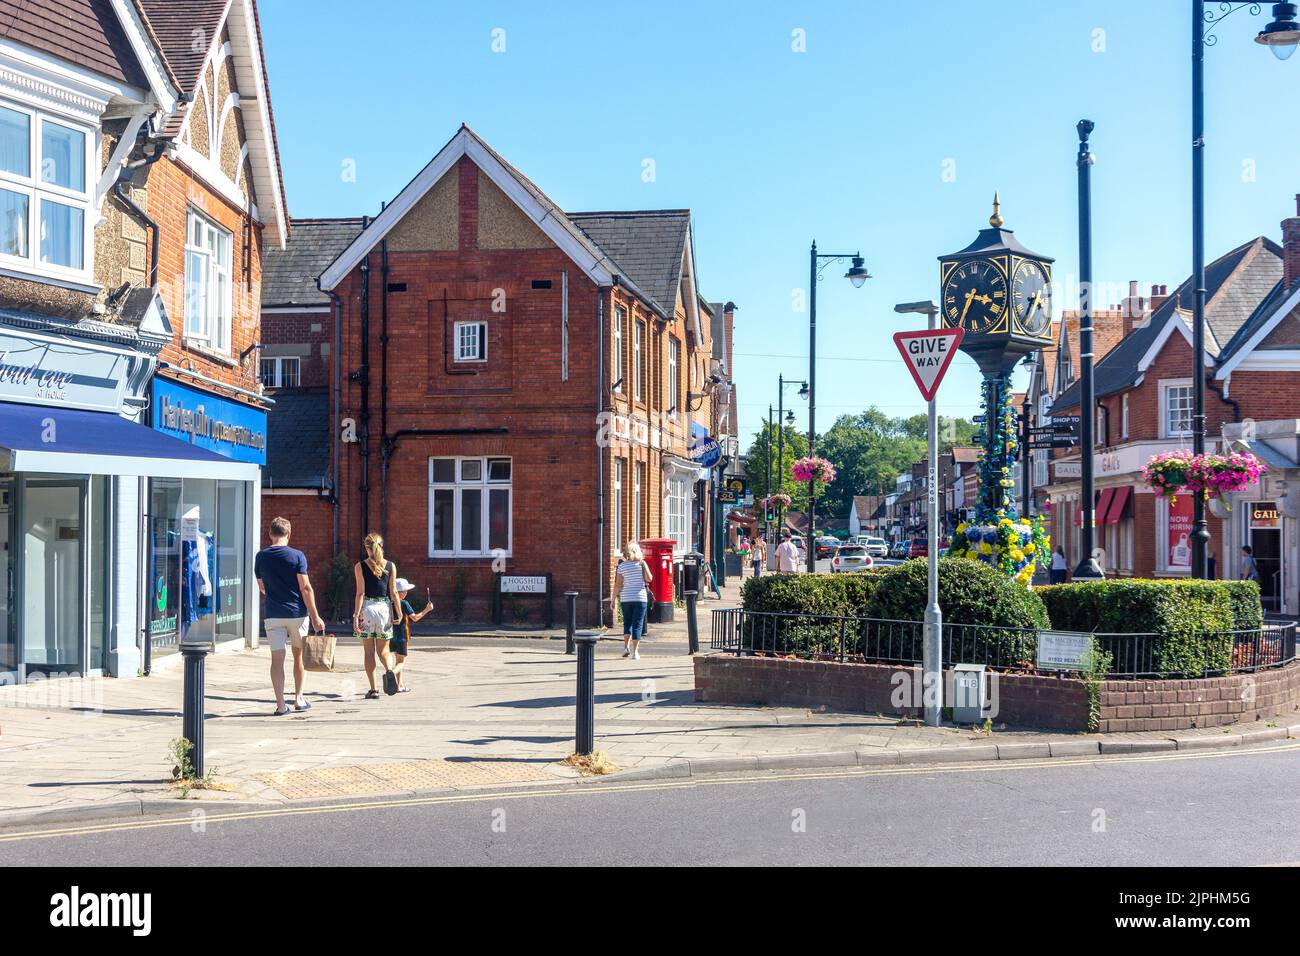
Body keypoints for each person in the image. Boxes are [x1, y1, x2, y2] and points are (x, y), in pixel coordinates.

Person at [254, 517, 325, 716]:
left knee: (276, 660)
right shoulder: (297, 556)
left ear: (270, 534)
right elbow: (306, 588)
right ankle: (299, 699)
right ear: (289, 534)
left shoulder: (261, 556)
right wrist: (315, 616)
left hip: (273, 614)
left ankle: (280, 705)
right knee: (298, 657)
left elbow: (262, 586)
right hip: (297, 614)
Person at [353, 533, 403, 699]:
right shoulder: (390, 566)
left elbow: (360, 593)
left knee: (368, 652)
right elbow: (394, 592)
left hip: (367, 607)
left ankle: (373, 689)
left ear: (367, 548)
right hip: (383, 609)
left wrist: (356, 615)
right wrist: (399, 611)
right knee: (384, 651)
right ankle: (389, 671)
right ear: (382, 546)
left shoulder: (360, 566)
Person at [391, 578, 433, 693]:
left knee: (397, 659)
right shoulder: (404, 603)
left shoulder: (389, 602)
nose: (406, 593)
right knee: (401, 662)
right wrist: (427, 610)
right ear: (399, 592)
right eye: (404, 591)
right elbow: (415, 618)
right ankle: (391, 674)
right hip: (402, 636)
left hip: (390, 637)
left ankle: (399, 685)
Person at [612, 540, 652, 660]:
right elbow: (649, 579)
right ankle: (635, 652)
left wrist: (613, 599)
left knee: (627, 623)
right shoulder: (641, 564)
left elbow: (618, 584)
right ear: (637, 551)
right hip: (640, 598)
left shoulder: (622, 566)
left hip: (626, 598)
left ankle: (625, 647)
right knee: (637, 624)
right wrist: (644, 565)